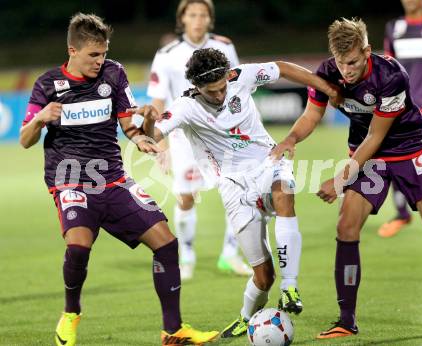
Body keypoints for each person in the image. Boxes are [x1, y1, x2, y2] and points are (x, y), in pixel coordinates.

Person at [19, 13, 218, 346]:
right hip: (70, 181)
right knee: (79, 246)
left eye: (104, 53)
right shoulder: (47, 85)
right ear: (73, 50)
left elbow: (132, 130)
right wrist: (40, 119)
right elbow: (25, 140)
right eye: (93, 55)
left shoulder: (115, 73)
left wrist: (146, 133)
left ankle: (173, 331)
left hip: (113, 179)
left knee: (167, 244)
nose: (101, 61)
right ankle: (71, 314)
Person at [132, 48, 340, 339]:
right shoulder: (184, 107)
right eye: (211, 92)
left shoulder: (241, 76)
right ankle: (246, 317)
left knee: (284, 193)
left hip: (269, 162)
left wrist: (326, 88)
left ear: (228, 76)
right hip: (232, 186)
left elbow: (282, 67)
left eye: (222, 88)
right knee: (263, 275)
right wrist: (150, 121)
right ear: (196, 87)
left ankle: (290, 286)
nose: (219, 96)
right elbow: (147, 138)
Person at [272, 17, 422, 339]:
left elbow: (377, 136)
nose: (345, 71)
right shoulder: (327, 72)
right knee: (346, 225)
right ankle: (346, 321)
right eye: (340, 62)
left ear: (367, 51)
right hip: (371, 158)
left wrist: (338, 181)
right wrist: (291, 139)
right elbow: (311, 114)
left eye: (352, 63)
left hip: (410, 151)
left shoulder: (391, 76)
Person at [147, 0, 252, 281]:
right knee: (185, 198)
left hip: (221, 135)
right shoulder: (167, 54)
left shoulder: (225, 46)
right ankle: (187, 256)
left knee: (237, 194)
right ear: (182, 19)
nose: (197, 19)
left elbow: (236, 89)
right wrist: (161, 145)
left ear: (210, 19)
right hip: (184, 138)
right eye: (192, 14)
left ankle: (230, 255)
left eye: (202, 14)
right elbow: (158, 100)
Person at [379, 0, 422, 237]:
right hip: (405, 109)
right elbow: (389, 66)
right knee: (396, 159)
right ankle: (402, 214)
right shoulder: (394, 27)